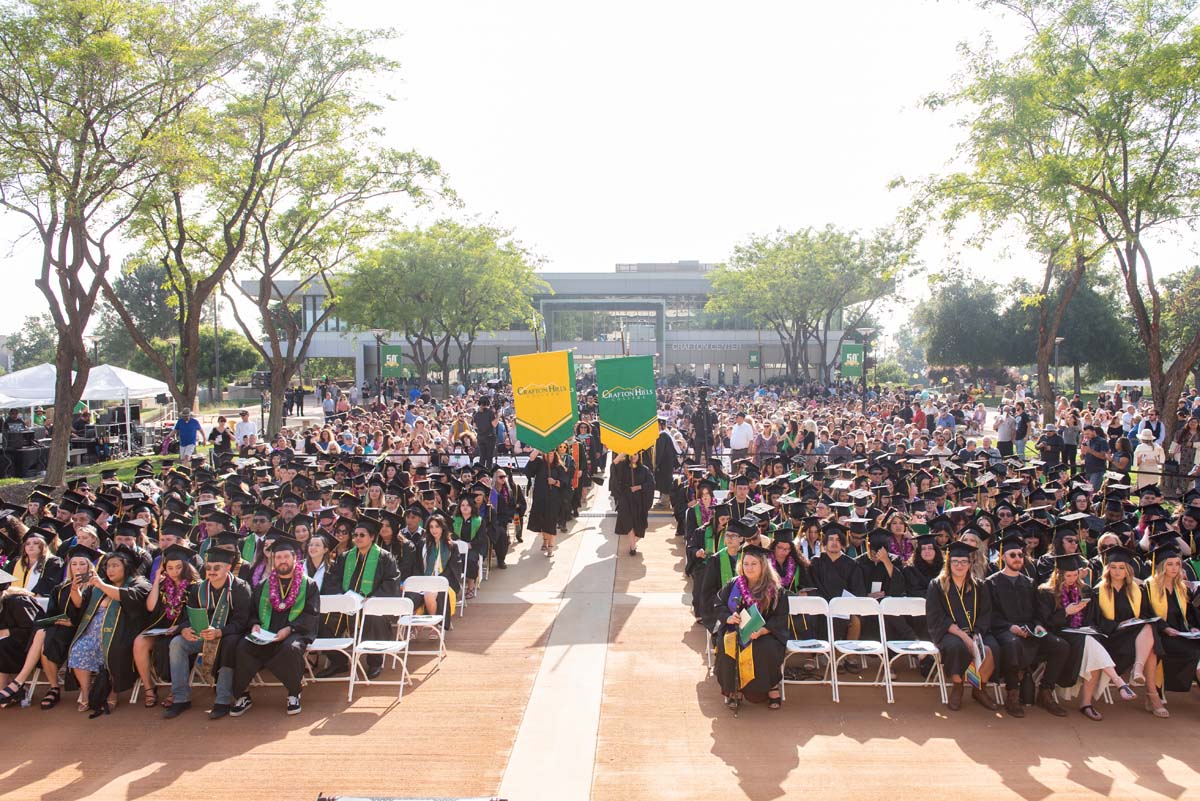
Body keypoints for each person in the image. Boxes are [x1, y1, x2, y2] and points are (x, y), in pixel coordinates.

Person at [1036, 552, 1136, 722]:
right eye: (1068, 575)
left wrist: (1087, 626)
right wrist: (1066, 612)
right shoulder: (1046, 592)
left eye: (1075, 575)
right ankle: (1111, 687)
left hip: (1081, 634)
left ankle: (1091, 700)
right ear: (1058, 574)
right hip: (1059, 634)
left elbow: (1091, 619)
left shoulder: (1085, 590)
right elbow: (1046, 622)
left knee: (1091, 641)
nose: (1072, 579)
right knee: (1090, 643)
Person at [230, 535, 320, 717]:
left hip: (296, 630)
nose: (282, 561)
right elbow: (253, 611)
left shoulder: (308, 585)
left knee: (290, 648)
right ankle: (243, 695)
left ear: (295, 558)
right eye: (278, 557)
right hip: (266, 631)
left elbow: (311, 613)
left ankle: (294, 694)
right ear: (273, 560)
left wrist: (289, 629)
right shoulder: (264, 585)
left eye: (286, 556)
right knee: (242, 646)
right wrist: (255, 624)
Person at [163, 544, 252, 720]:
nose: (211, 571)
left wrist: (220, 632)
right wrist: (185, 629)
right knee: (177, 644)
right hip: (202, 635)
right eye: (209, 567)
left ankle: (223, 700)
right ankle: (180, 698)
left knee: (228, 645)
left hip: (228, 636)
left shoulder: (241, 588)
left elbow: (243, 622)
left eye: (217, 567)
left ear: (228, 567)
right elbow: (189, 615)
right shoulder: (198, 588)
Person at [985, 533, 1070, 717]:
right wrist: (1010, 627)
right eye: (1012, 555)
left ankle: (1046, 692)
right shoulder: (991, 583)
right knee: (1012, 643)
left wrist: (1038, 625)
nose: (1017, 559)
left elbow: (1038, 612)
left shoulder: (1030, 583)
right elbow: (990, 615)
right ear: (1003, 557)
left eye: (1020, 555)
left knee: (1060, 646)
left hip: (1029, 630)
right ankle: (1012, 695)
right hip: (1004, 631)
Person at [66, 545, 151, 715]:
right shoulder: (99, 585)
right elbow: (80, 605)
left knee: (114, 650)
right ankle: (86, 692)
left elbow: (129, 597)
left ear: (126, 567)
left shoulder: (139, 583)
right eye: (107, 566)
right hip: (92, 632)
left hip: (120, 633)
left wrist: (101, 584)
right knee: (78, 649)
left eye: (115, 565)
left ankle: (113, 692)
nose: (110, 569)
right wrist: (75, 589)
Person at [318, 516, 400, 679]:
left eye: (362, 535)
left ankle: (375, 661)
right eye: (355, 535)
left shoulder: (385, 558)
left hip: (371, 605)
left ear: (372, 537)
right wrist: (341, 597)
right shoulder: (345, 557)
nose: (357, 538)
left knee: (374, 618)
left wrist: (372, 598)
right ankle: (339, 661)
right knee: (322, 621)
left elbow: (391, 583)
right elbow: (332, 579)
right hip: (346, 605)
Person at [1089, 546, 1166, 717]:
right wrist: (1118, 624)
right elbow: (1095, 621)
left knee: (1148, 628)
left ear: (1128, 570)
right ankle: (1152, 695)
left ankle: (1142, 676)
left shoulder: (1137, 590)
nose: (1117, 572)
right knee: (1150, 643)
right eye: (1113, 567)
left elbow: (1147, 615)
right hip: (1111, 639)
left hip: (1134, 639)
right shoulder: (1098, 591)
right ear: (1107, 568)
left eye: (1121, 568)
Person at [712, 542, 789, 710]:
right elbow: (719, 605)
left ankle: (770, 686)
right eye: (746, 563)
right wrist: (729, 617)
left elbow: (781, 617)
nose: (749, 567)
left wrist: (763, 630)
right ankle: (735, 687)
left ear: (763, 565)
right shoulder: (734, 584)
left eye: (754, 564)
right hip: (735, 630)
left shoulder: (775, 589)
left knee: (765, 647)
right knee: (728, 644)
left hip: (765, 633)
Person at [926, 540, 999, 711]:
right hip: (949, 632)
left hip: (977, 631)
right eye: (955, 561)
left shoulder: (979, 586)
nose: (959, 565)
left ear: (970, 563)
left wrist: (976, 634)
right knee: (956, 647)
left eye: (963, 562)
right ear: (948, 563)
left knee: (991, 649)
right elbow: (937, 617)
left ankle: (978, 687)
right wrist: (965, 636)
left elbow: (985, 613)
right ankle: (957, 686)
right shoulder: (937, 585)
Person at [133, 544, 198, 709]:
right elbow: (150, 606)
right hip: (162, 628)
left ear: (185, 567)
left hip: (183, 629)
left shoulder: (195, 586)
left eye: (178, 567)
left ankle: (174, 691)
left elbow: (195, 615)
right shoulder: (163, 585)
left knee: (172, 645)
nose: (174, 571)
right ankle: (149, 687)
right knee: (139, 641)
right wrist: (156, 580)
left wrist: (177, 629)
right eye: (169, 568)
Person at [1144, 542, 1200, 704]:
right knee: (1194, 653)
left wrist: (1193, 627)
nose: (1174, 568)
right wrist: (1165, 628)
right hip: (1160, 635)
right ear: (1161, 566)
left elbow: (1189, 614)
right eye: (1169, 564)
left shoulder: (1182, 588)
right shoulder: (1149, 586)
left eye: (1177, 564)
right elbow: (1147, 613)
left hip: (1181, 633)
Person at [525, 448, 568, 558]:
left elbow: (564, 483)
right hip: (540, 497)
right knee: (542, 521)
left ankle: (550, 547)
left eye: (551, 453)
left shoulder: (559, 467)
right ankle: (544, 540)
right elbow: (531, 462)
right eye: (547, 453)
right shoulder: (539, 463)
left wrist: (554, 482)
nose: (549, 455)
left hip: (553, 499)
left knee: (551, 522)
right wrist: (538, 448)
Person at [612, 451, 655, 556]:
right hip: (625, 498)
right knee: (628, 523)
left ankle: (633, 543)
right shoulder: (623, 467)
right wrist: (624, 451)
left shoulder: (644, 469)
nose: (633, 456)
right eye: (631, 454)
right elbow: (614, 465)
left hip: (639, 500)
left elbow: (651, 483)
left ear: (639, 456)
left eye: (635, 454)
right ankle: (632, 547)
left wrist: (639, 487)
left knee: (640, 527)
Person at [473, 396, 498, 470]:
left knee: (482, 456)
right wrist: (498, 416)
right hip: (489, 437)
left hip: (480, 437)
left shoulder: (476, 414)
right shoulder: (490, 412)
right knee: (489, 456)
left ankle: (481, 472)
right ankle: (488, 472)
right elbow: (494, 424)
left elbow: (474, 426)